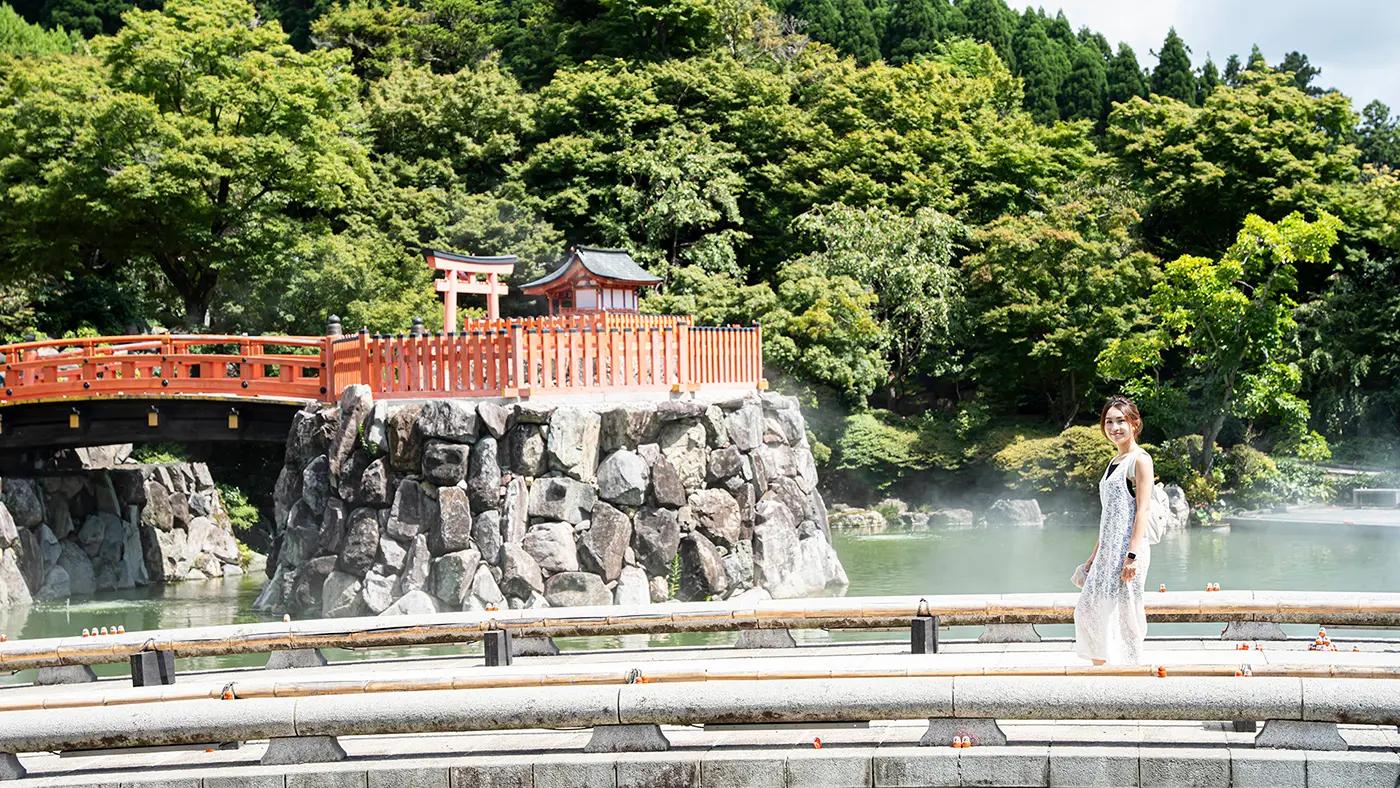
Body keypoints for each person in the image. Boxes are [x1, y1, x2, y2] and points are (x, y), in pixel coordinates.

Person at [1073, 395, 1154, 665]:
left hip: (1128, 552)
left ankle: (1130, 671)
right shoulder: (1114, 462)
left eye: (1121, 421)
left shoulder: (1139, 460)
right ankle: (1102, 669)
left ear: (1135, 423)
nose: (1114, 427)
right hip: (1108, 551)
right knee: (1090, 609)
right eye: (1109, 421)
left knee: (1125, 614)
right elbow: (1110, 515)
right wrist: (1093, 555)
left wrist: (1132, 556)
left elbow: (1141, 510)